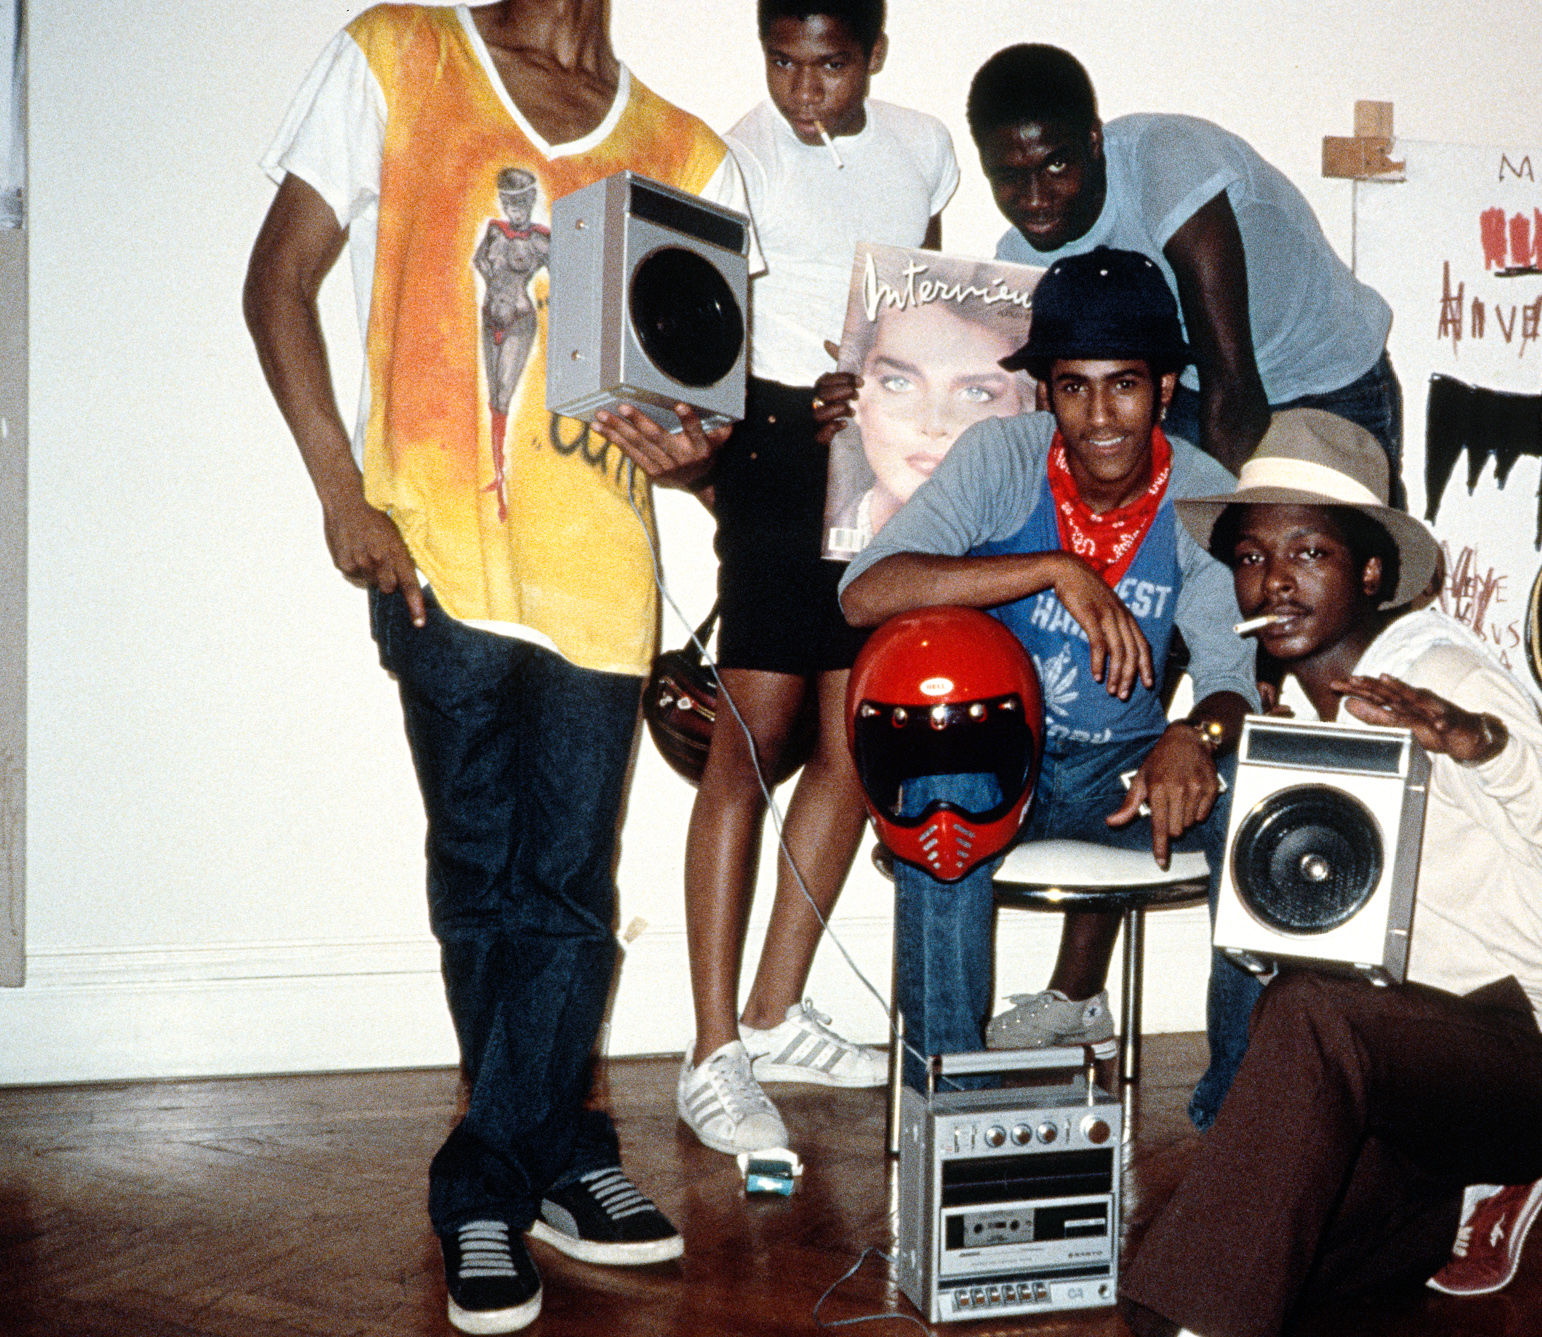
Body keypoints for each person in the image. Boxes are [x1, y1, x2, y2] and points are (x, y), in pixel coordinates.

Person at [243, 3, 744, 1330]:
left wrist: (692, 452)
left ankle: (489, 1175)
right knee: (482, 874)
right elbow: (277, 280)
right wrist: (341, 493)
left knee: (568, 887)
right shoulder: (403, 55)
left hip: (598, 579)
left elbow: (703, 412)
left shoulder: (686, 150)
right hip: (438, 556)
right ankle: (563, 1150)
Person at [1114, 410, 1542, 1337]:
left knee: (1304, 1020)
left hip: (1527, 1051)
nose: (1273, 578)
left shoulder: (1439, 677)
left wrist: (1481, 745)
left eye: (1308, 551)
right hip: (1398, 1086)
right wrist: (1192, 730)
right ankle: (1451, 1202)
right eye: (1251, 556)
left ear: (1370, 572)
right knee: (1233, 1264)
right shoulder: (1297, 720)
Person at [839, 246, 1262, 1119]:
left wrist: (1196, 737)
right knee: (936, 771)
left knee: (1268, 802)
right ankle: (947, 1104)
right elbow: (865, 591)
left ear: (1166, 390)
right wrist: (1053, 569)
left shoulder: (1205, 493)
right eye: (1074, 387)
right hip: (1003, 754)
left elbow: (1232, 680)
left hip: (1127, 770)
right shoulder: (1004, 458)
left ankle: (1241, 1111)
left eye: (1125, 385)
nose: (1100, 415)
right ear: (1045, 391)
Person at [654, 0, 956, 1161]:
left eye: (828, 64)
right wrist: (738, 459)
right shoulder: (739, 152)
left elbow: (927, 305)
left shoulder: (925, 142)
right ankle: (710, 1048)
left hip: (881, 453)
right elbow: (708, 335)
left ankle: (775, 1016)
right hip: (778, 447)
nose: (803, 88)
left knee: (849, 741)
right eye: (783, 62)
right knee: (750, 746)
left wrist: (887, 393)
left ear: (872, 54)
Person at [965, 44, 1402, 487]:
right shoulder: (1020, 259)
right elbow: (1039, 420)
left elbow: (1230, 378)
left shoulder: (1167, 161)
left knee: (1334, 548)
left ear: (1093, 142)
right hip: (1193, 393)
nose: (1035, 198)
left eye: (1056, 164)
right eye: (1008, 177)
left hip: (1324, 377)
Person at [822, 273, 1034, 554]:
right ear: (858, 399)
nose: (933, 426)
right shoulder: (803, 530)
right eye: (899, 383)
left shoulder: (1040, 552)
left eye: (976, 393)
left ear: (1025, 409)